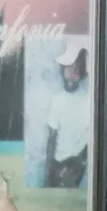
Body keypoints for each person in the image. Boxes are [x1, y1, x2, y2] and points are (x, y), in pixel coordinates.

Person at [44, 39, 89, 188]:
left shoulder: (88, 99)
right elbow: (52, 136)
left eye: (77, 68)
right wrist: (49, 169)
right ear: (62, 69)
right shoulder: (57, 98)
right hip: (57, 163)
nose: (73, 72)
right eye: (69, 67)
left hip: (75, 164)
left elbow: (91, 137)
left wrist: (80, 163)